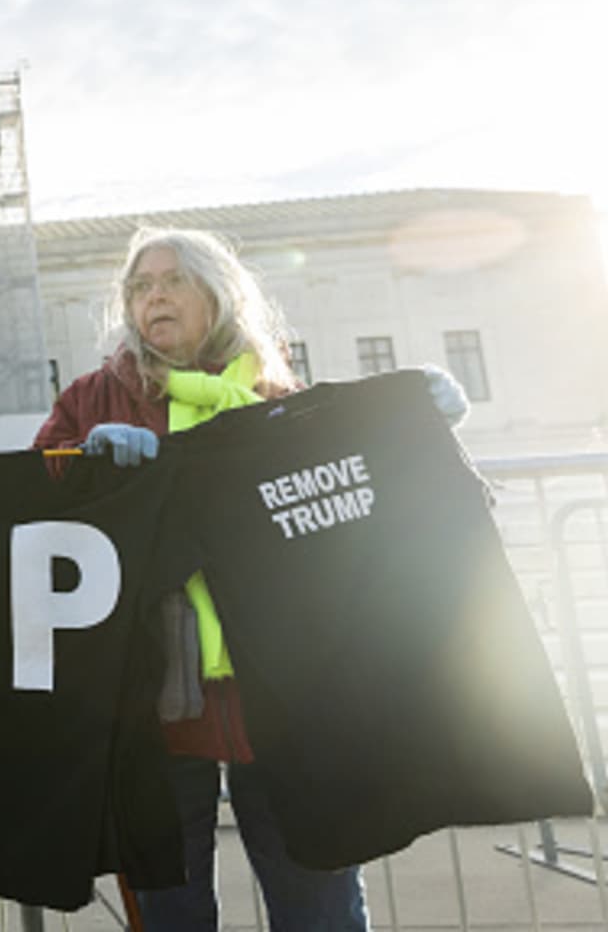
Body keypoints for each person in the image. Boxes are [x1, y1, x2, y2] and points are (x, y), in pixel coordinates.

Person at [34, 227, 469, 931]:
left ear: (216, 293)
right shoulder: (96, 399)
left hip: (287, 689)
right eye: (139, 288)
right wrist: (85, 461)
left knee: (319, 895)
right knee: (171, 908)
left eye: (171, 280)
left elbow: (342, 495)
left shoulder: (273, 396)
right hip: (151, 696)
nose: (154, 297)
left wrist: (413, 425)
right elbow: (35, 494)